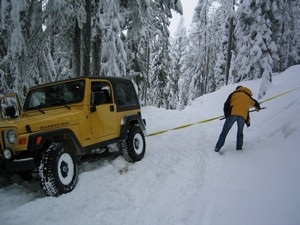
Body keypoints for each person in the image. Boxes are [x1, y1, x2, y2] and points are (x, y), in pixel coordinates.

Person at [215, 86, 261, 152]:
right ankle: (239, 148)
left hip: (232, 114)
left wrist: (226, 114)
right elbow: (256, 103)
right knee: (240, 133)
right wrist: (258, 108)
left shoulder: (233, 94)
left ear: (237, 89)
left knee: (224, 132)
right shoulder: (248, 97)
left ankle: (217, 148)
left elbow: (226, 105)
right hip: (242, 116)